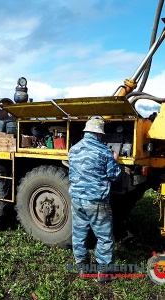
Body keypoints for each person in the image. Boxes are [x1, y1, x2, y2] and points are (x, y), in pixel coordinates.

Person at [68, 117, 121, 283]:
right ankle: (103, 273)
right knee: (104, 237)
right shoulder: (105, 152)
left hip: (77, 198)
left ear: (86, 131)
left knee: (79, 233)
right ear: (100, 133)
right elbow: (114, 175)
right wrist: (115, 160)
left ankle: (83, 267)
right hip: (96, 200)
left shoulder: (73, 149)